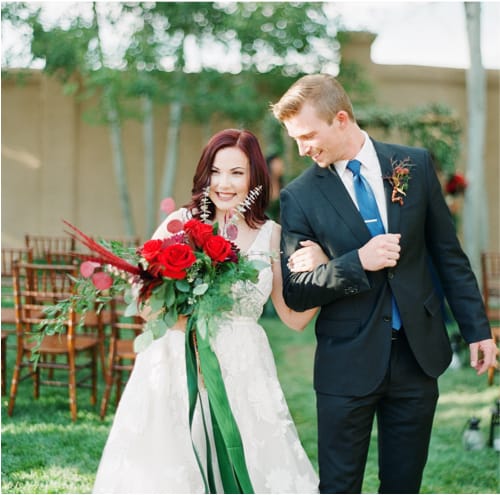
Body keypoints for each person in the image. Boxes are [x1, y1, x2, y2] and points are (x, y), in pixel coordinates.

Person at [271, 74, 498, 494]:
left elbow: (448, 255)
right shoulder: (300, 196)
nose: (302, 149)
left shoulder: (413, 166)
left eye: (308, 136)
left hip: (417, 356)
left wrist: (477, 330)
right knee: (339, 487)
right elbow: (298, 291)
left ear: (341, 119)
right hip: (346, 363)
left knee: (403, 485)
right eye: (295, 139)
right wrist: (356, 261)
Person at [93, 128, 328, 494]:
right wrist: (184, 324)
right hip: (177, 361)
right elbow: (143, 297)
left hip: (243, 368)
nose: (223, 183)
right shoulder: (181, 223)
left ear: (254, 177)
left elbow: (293, 317)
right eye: (215, 171)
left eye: (236, 173)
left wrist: (325, 271)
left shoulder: (272, 235)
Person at [265, 153, 286, 221]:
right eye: (277, 164)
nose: (281, 166)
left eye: (281, 164)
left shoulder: (282, 186)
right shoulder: (261, 186)